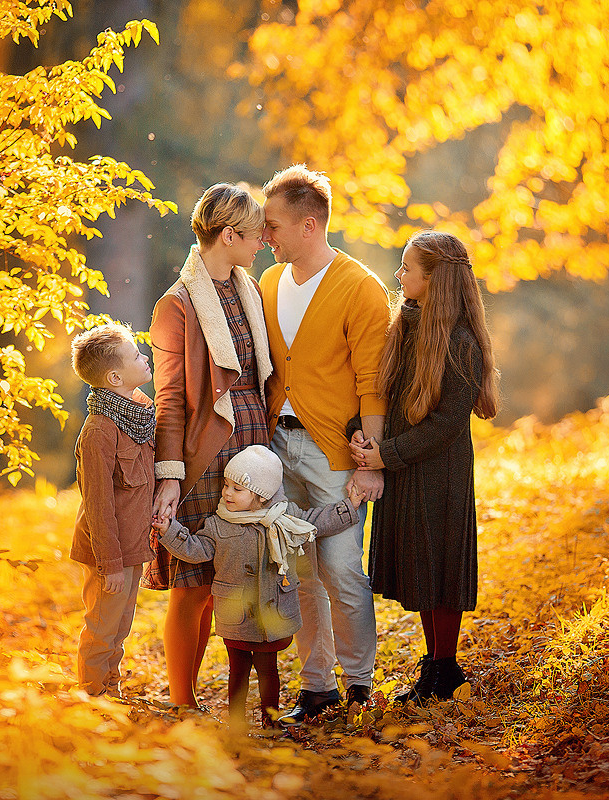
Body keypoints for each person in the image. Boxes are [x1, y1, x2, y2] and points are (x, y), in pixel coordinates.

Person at [259, 164, 391, 723]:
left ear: (309, 225)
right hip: (277, 450)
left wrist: (372, 462)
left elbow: (374, 382)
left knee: (340, 570)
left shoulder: (359, 287)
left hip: (335, 452)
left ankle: (359, 683)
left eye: (273, 226)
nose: (265, 237)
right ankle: (317, 688)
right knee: (302, 575)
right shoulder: (266, 284)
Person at [142, 183, 281, 709]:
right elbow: (170, 399)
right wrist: (171, 475)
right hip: (206, 456)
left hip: (251, 448)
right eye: (254, 234)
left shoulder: (247, 290)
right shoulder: (175, 306)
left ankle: (237, 700)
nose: (263, 242)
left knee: (231, 582)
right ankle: (183, 702)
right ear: (228, 235)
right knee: (193, 585)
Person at [348, 230, 499, 703]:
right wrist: (361, 428)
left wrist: (385, 455)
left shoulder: (460, 343)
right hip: (407, 469)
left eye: (407, 267)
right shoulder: (404, 327)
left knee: (441, 572)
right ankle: (435, 665)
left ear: (434, 279)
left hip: (441, 474)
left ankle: (444, 667)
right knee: (421, 571)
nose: (399, 275)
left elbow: (446, 425)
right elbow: (386, 396)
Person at [151, 445, 364, 729]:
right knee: (237, 672)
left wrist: (349, 506)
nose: (227, 493)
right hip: (236, 618)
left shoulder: (284, 519)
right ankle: (237, 725)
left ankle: (271, 720)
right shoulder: (217, 524)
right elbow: (197, 549)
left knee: (268, 672)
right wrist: (169, 531)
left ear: (261, 495)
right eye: (226, 485)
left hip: (272, 616)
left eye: (237, 489)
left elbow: (318, 521)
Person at [69, 324, 156, 697]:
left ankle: (111, 688)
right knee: (102, 628)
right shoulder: (100, 431)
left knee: (120, 627)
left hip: (131, 547)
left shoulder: (137, 417)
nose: (146, 357)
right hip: (109, 553)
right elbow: (99, 506)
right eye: (137, 355)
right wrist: (111, 563)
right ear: (115, 376)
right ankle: (93, 697)